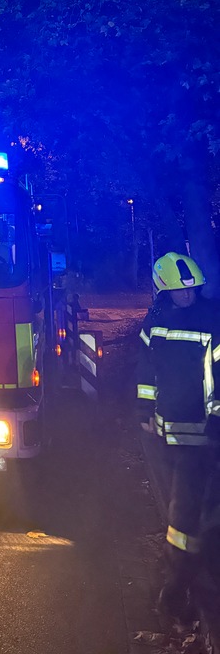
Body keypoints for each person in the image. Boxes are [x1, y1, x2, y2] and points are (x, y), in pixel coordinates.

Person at [136, 251, 220, 623]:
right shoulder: (153, 322)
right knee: (185, 509)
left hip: (205, 431)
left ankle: (177, 587)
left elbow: (217, 374)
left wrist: (216, 417)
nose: (186, 296)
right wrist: (142, 410)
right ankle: (178, 584)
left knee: (190, 510)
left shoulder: (212, 319)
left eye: (192, 291)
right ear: (162, 291)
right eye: (178, 292)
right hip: (172, 433)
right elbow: (145, 371)